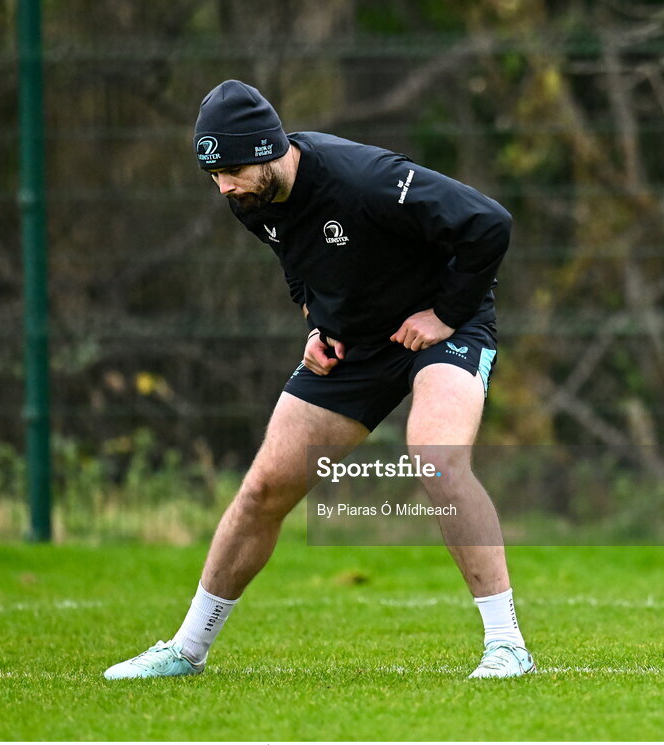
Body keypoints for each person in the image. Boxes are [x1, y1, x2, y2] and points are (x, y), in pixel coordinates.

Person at [104, 80, 536, 680]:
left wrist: (444, 315)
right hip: (356, 345)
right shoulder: (250, 200)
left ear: (266, 148)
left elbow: (489, 223)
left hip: (442, 327)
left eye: (230, 170)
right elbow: (299, 263)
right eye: (212, 175)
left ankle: (507, 647)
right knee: (264, 489)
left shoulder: (365, 180)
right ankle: (186, 650)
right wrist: (318, 322)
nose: (222, 187)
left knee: (436, 459)